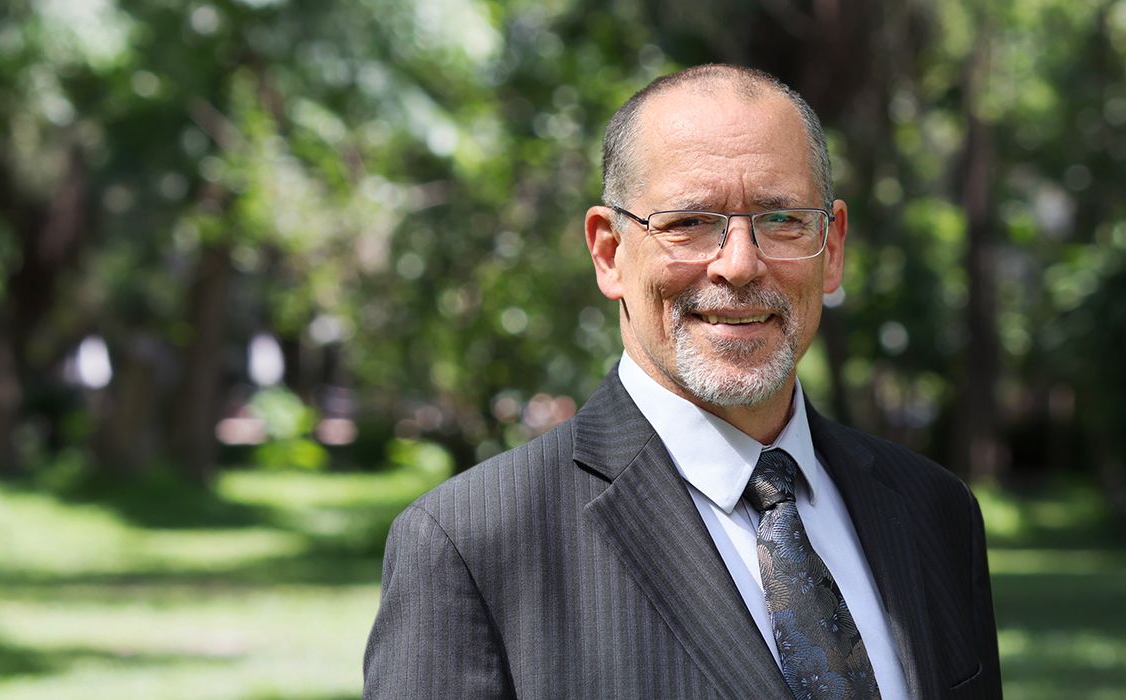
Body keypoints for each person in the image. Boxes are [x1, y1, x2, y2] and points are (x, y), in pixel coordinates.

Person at [365, 64, 1001, 699]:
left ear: (830, 248)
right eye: (689, 222)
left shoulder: (934, 513)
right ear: (609, 252)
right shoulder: (472, 549)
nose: (740, 264)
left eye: (781, 218)